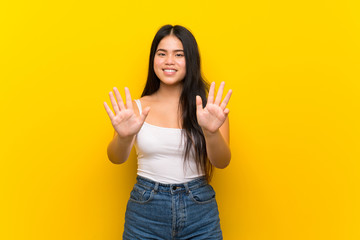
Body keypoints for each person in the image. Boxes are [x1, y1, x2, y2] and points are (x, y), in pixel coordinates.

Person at [103, 24, 232, 240]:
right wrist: (124, 138)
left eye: (178, 54)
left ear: (190, 60)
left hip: (200, 211)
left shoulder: (210, 109)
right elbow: (115, 158)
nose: (169, 61)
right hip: (145, 212)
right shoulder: (135, 107)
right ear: (153, 59)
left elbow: (222, 162)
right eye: (161, 54)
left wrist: (211, 132)